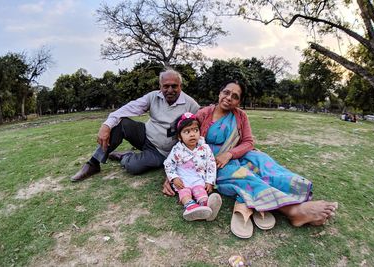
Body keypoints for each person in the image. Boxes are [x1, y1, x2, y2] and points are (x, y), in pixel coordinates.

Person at [163, 80, 338, 238]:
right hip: (209, 163)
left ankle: (297, 190)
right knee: (243, 175)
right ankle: (294, 211)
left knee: (261, 160)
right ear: (219, 93)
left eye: (235, 96)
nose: (228, 98)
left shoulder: (240, 116)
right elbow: (182, 143)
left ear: (239, 101)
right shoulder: (203, 114)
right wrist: (172, 176)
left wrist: (230, 154)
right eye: (226, 92)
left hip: (233, 154)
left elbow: (248, 142)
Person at [71, 69, 200, 182]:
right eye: (166, 86)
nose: (170, 90)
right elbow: (128, 108)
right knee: (121, 123)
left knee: (133, 167)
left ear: (180, 86)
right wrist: (106, 125)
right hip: (145, 135)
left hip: (161, 152)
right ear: (160, 86)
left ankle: (124, 156)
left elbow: (201, 126)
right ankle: (93, 163)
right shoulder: (153, 97)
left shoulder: (190, 104)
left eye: (174, 86)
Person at [164, 112, 222, 221]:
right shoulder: (177, 149)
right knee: (184, 193)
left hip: (198, 179)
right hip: (182, 181)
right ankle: (191, 207)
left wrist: (210, 181)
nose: (192, 134)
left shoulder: (204, 148)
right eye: (187, 131)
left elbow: (211, 164)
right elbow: (168, 164)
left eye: (195, 130)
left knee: (201, 192)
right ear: (179, 137)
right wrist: (174, 177)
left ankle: (206, 206)